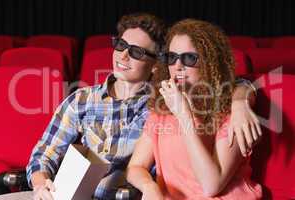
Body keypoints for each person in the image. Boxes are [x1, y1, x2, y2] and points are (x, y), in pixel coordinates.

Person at [26, 14, 260, 200]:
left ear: (155, 65)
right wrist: (40, 184)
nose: (124, 55)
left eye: (136, 52)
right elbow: (45, 154)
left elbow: (231, 82)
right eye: (120, 45)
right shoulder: (83, 100)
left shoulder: (159, 101)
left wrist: (241, 100)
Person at [127, 19, 262, 199]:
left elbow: (211, 185)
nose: (177, 66)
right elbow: (135, 167)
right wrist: (149, 186)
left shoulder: (231, 111)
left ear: (209, 62)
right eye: (172, 57)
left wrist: (184, 115)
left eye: (189, 58)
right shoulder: (163, 109)